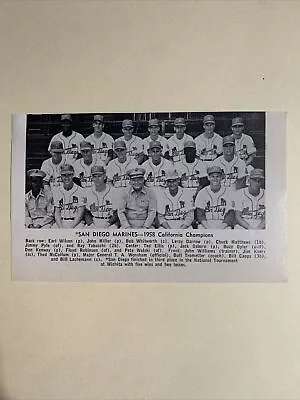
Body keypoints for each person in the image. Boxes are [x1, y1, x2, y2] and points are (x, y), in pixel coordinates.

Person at [52, 164, 86, 228]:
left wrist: (71, 227)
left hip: (76, 223)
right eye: (64, 175)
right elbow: (57, 213)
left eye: (69, 175)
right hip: (61, 221)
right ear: (60, 176)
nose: (67, 177)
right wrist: (60, 227)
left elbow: (80, 214)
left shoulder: (81, 190)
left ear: (73, 174)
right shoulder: (56, 191)